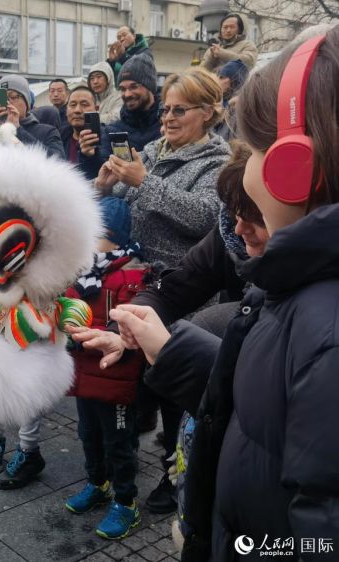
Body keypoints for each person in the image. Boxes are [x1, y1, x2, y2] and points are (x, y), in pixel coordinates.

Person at [104, 29, 339, 560]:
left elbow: (316, 540)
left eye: (255, 149)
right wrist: (160, 340)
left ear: (295, 166)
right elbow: (265, 405)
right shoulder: (294, 290)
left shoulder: (321, 325)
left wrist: (245, 546)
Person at [74, 144, 269, 518]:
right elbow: (176, 285)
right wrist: (125, 326)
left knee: (202, 334)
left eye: (256, 215)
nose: (239, 228)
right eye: (233, 214)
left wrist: (171, 349)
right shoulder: (229, 231)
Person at [64, 196, 148, 540]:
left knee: (118, 441)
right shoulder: (82, 270)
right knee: (88, 434)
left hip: (115, 375)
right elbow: (67, 306)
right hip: (85, 374)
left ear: (111, 237)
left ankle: (126, 502)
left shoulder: (132, 275)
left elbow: (135, 324)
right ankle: (96, 483)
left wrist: (100, 334)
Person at [96, 66, 231, 266]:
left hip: (177, 285)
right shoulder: (150, 152)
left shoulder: (218, 161)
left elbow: (206, 217)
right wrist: (103, 187)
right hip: (129, 279)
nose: (168, 118)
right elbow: (117, 207)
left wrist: (144, 182)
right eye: (165, 110)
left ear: (207, 112)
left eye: (179, 110)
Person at [0, 74, 65, 159]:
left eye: (12, 97)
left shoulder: (47, 131)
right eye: (2, 98)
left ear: (27, 103)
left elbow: (59, 161)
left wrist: (18, 130)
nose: (7, 102)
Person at [104, 55, 162, 154]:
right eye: (122, 89)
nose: (127, 94)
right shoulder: (113, 131)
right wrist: (89, 155)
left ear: (150, 87)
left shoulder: (167, 127)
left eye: (134, 87)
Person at [60, 86, 106, 180]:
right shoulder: (59, 137)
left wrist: (92, 156)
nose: (77, 110)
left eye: (84, 104)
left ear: (96, 109)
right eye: (72, 105)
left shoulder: (107, 137)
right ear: (66, 110)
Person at [212, 60, 249, 141]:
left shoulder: (238, 108)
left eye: (221, 77)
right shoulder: (220, 100)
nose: (217, 80)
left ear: (234, 80)